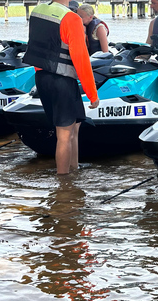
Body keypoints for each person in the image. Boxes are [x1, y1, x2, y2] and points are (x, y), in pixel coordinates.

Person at [23, 0, 99, 175]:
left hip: (42, 78)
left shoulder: (37, 11)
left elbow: (36, 47)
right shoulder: (71, 18)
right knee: (64, 135)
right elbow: (81, 59)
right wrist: (92, 95)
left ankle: (75, 170)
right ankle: (64, 185)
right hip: (62, 81)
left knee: (74, 127)